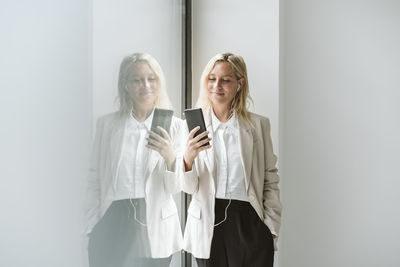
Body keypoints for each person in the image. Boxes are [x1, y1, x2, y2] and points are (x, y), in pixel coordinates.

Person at [181, 53, 282, 267]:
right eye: (211, 78)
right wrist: (188, 158)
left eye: (226, 79)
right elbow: (189, 189)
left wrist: (270, 229)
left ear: (239, 83)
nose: (217, 85)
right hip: (208, 224)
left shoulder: (258, 126)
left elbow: (270, 180)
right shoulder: (191, 125)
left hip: (250, 221)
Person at [85, 53, 182, 267]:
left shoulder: (175, 126)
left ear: (159, 82)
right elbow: (94, 179)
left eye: (151, 78)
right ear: (125, 84)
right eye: (137, 80)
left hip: (154, 223)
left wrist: (169, 156)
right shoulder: (107, 125)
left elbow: (176, 187)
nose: (145, 85)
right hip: (113, 219)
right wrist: (92, 225)